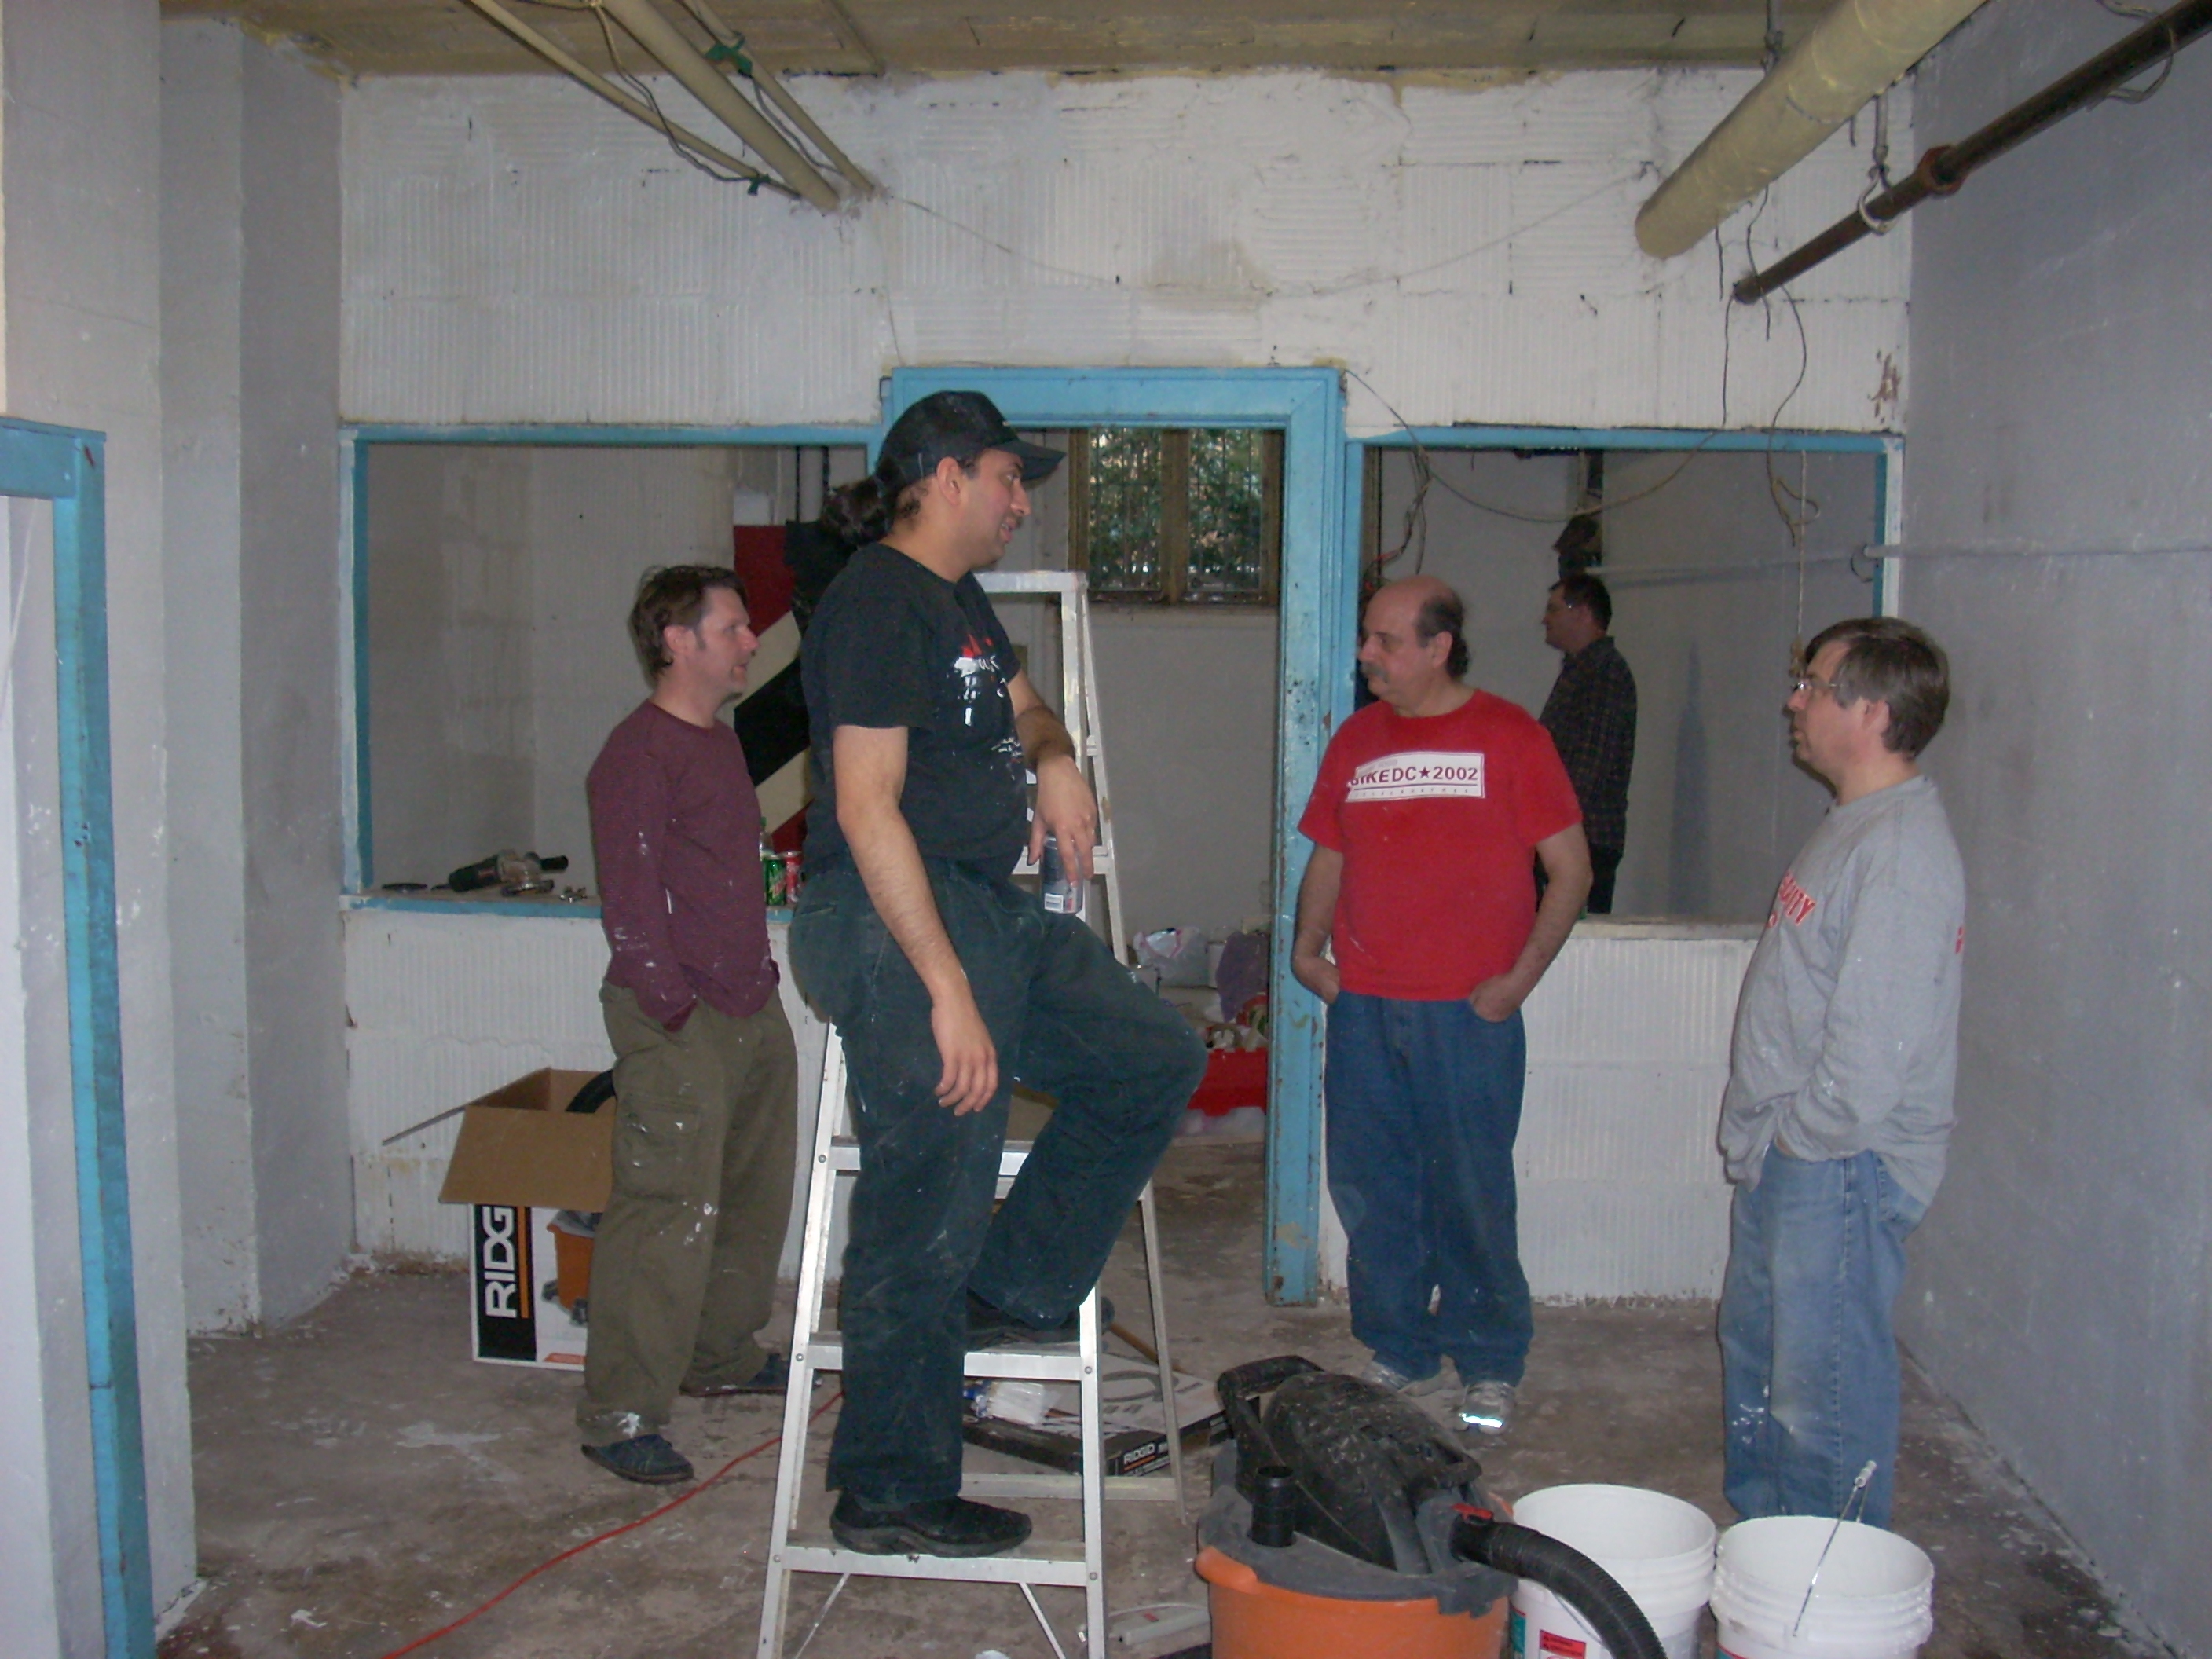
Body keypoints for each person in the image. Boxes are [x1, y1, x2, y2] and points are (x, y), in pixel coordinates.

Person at [789, 390, 1207, 1559]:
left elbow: (1026, 708)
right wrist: (947, 990)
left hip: (982, 905)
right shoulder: (876, 602)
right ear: (947, 477)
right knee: (927, 1197)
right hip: (889, 916)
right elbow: (866, 809)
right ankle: (887, 1488)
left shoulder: (956, 599)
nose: (1023, 502)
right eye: (1010, 478)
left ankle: (1009, 1288)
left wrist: (1057, 759)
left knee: (1155, 1056)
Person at [1291, 576, 1590, 1438]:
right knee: (1372, 1188)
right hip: (1366, 1010)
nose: (1366, 655)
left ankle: (1489, 1361)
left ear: (1438, 647)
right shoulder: (1357, 740)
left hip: (1466, 1017)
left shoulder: (1511, 737)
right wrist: (1306, 952)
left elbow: (1570, 870)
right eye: (1366, 637)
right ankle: (1400, 1348)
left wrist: (1518, 980)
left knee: (1470, 1192)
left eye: (1385, 641)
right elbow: (1330, 855)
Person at [1718, 617, 1965, 1532]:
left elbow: (1869, 1059)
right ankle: (1762, 1555)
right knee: (1760, 1366)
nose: (1793, 701)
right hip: (1796, 1157)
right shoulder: (1856, 827)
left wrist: (1797, 1143)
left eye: (1812, 685)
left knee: (1817, 1400)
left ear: (1870, 712)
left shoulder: (1898, 853)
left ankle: (1822, 1584)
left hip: (1836, 1166)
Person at [577, 566, 799, 1485]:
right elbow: (629, 904)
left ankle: (718, 1354)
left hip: (747, 1002)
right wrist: (672, 1005)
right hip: (678, 1012)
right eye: (734, 627)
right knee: (665, 1208)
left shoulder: (720, 743)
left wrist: (757, 981)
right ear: (678, 640)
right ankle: (619, 1414)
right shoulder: (637, 753)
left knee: (752, 1198)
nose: (751, 641)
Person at [1539, 571, 1636, 914]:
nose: (1545, 619)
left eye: (1554, 609)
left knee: (1579, 938)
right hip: (1569, 835)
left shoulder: (1605, 673)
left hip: (1584, 839)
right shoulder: (1582, 669)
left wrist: (1545, 821)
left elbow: (1588, 770)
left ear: (1582, 613)